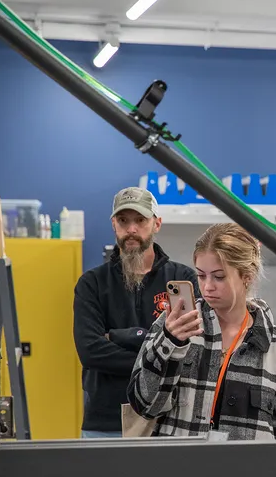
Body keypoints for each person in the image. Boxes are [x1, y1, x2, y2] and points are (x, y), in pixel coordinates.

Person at [127, 222, 276, 439]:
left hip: (247, 471)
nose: (207, 286)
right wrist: (169, 343)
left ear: (247, 276)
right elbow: (144, 406)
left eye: (219, 276)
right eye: (201, 275)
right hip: (179, 467)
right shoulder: (176, 324)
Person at [74, 187, 197, 438]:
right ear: (114, 224)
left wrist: (119, 336)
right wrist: (160, 354)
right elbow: (90, 351)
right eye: (123, 220)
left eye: (140, 220)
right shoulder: (92, 284)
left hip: (168, 419)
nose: (131, 229)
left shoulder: (182, 279)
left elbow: (191, 350)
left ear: (157, 223)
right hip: (106, 423)